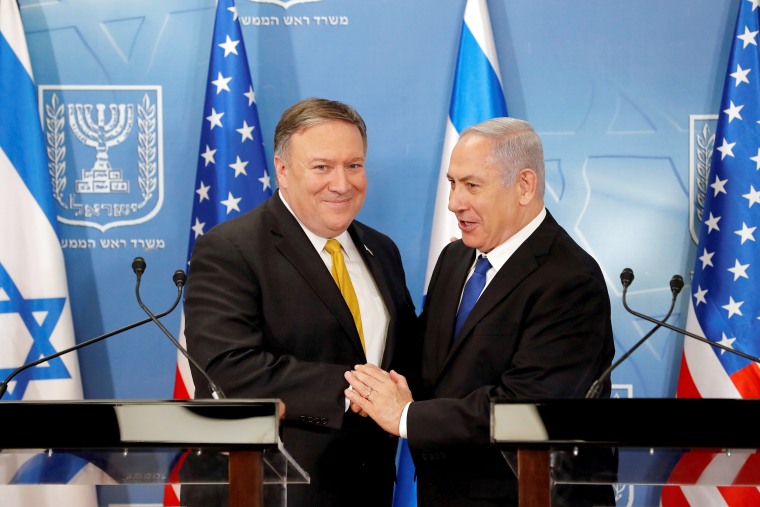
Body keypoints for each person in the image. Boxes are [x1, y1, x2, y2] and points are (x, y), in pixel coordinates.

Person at [345, 117, 617, 507]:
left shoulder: (571, 280)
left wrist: (406, 416)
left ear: (524, 186)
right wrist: (371, 388)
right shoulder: (456, 258)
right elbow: (430, 363)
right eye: (453, 184)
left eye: (472, 185)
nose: (455, 202)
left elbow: (524, 408)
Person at [182, 97, 419, 507]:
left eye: (354, 165)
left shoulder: (382, 250)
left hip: (368, 490)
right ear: (283, 170)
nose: (342, 183)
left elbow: (405, 358)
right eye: (322, 167)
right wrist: (356, 390)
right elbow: (226, 370)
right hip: (265, 490)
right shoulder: (230, 249)